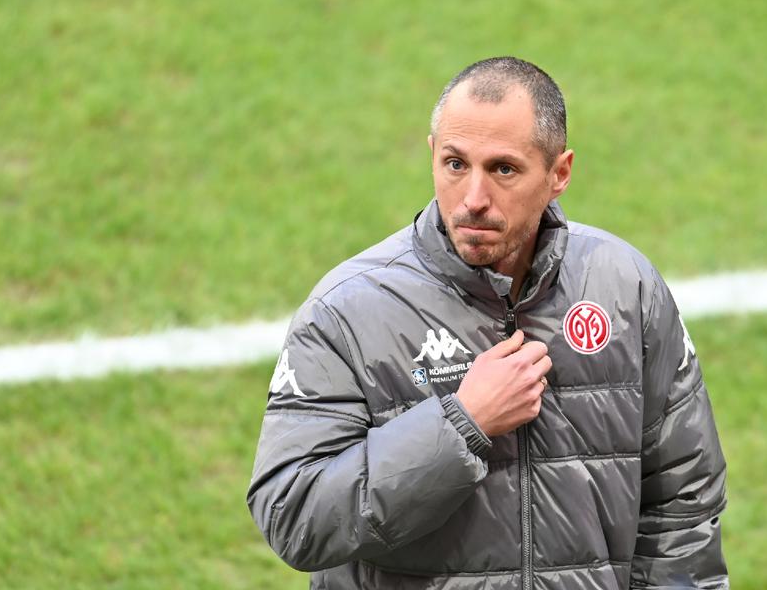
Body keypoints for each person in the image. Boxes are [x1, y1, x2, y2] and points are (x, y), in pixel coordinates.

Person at [247, 57, 729, 589]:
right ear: (432, 154)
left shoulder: (625, 288)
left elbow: (683, 501)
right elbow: (293, 516)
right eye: (456, 164)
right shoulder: (347, 311)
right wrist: (462, 424)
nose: (473, 199)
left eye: (503, 169)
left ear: (559, 173)